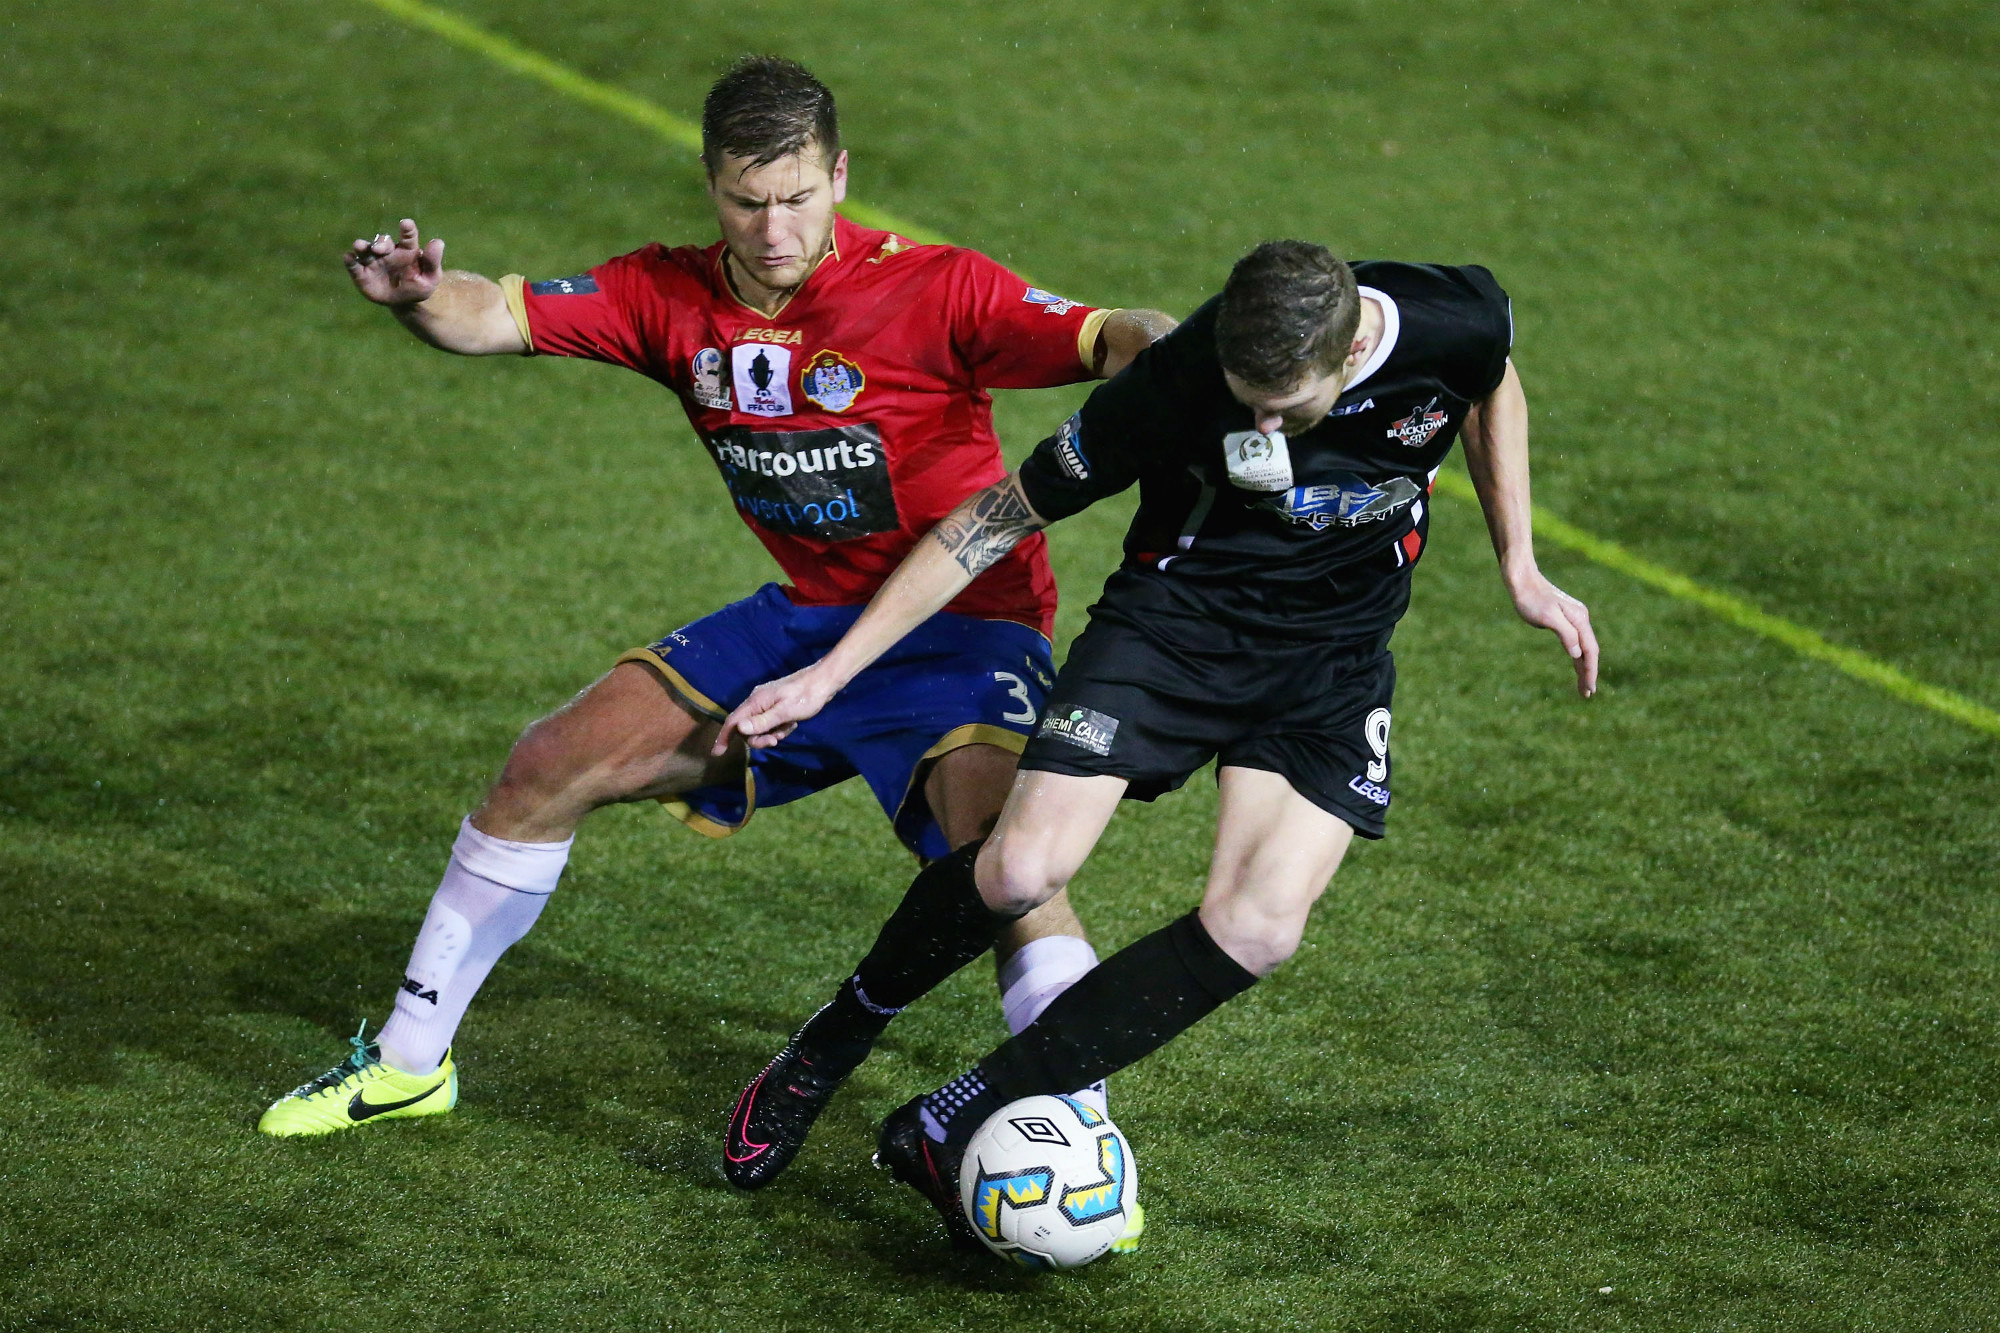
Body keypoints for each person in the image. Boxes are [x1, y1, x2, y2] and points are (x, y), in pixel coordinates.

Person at [256, 53, 1176, 1196]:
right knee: (545, 765)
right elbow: (489, 314)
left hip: (961, 631)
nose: (776, 228)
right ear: (711, 188)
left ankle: (1083, 1142)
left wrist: (1166, 350)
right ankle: (405, 1063)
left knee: (1003, 869)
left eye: (798, 197)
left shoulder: (936, 287)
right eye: (748, 201)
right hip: (801, 622)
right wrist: (414, 299)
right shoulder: (665, 292)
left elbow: (1108, 335)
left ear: (839, 175)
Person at [716, 239, 1599, 1246]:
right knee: (1018, 868)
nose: (1260, 427)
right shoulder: (1178, 378)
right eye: (1246, 400)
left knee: (1260, 927)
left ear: (1351, 347)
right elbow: (993, 519)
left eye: (1285, 405)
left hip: (1328, 663)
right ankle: (826, 1047)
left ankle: (944, 1119)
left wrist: (1518, 563)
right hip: (1171, 634)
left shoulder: (1455, 315)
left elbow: (1488, 381)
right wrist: (831, 673)